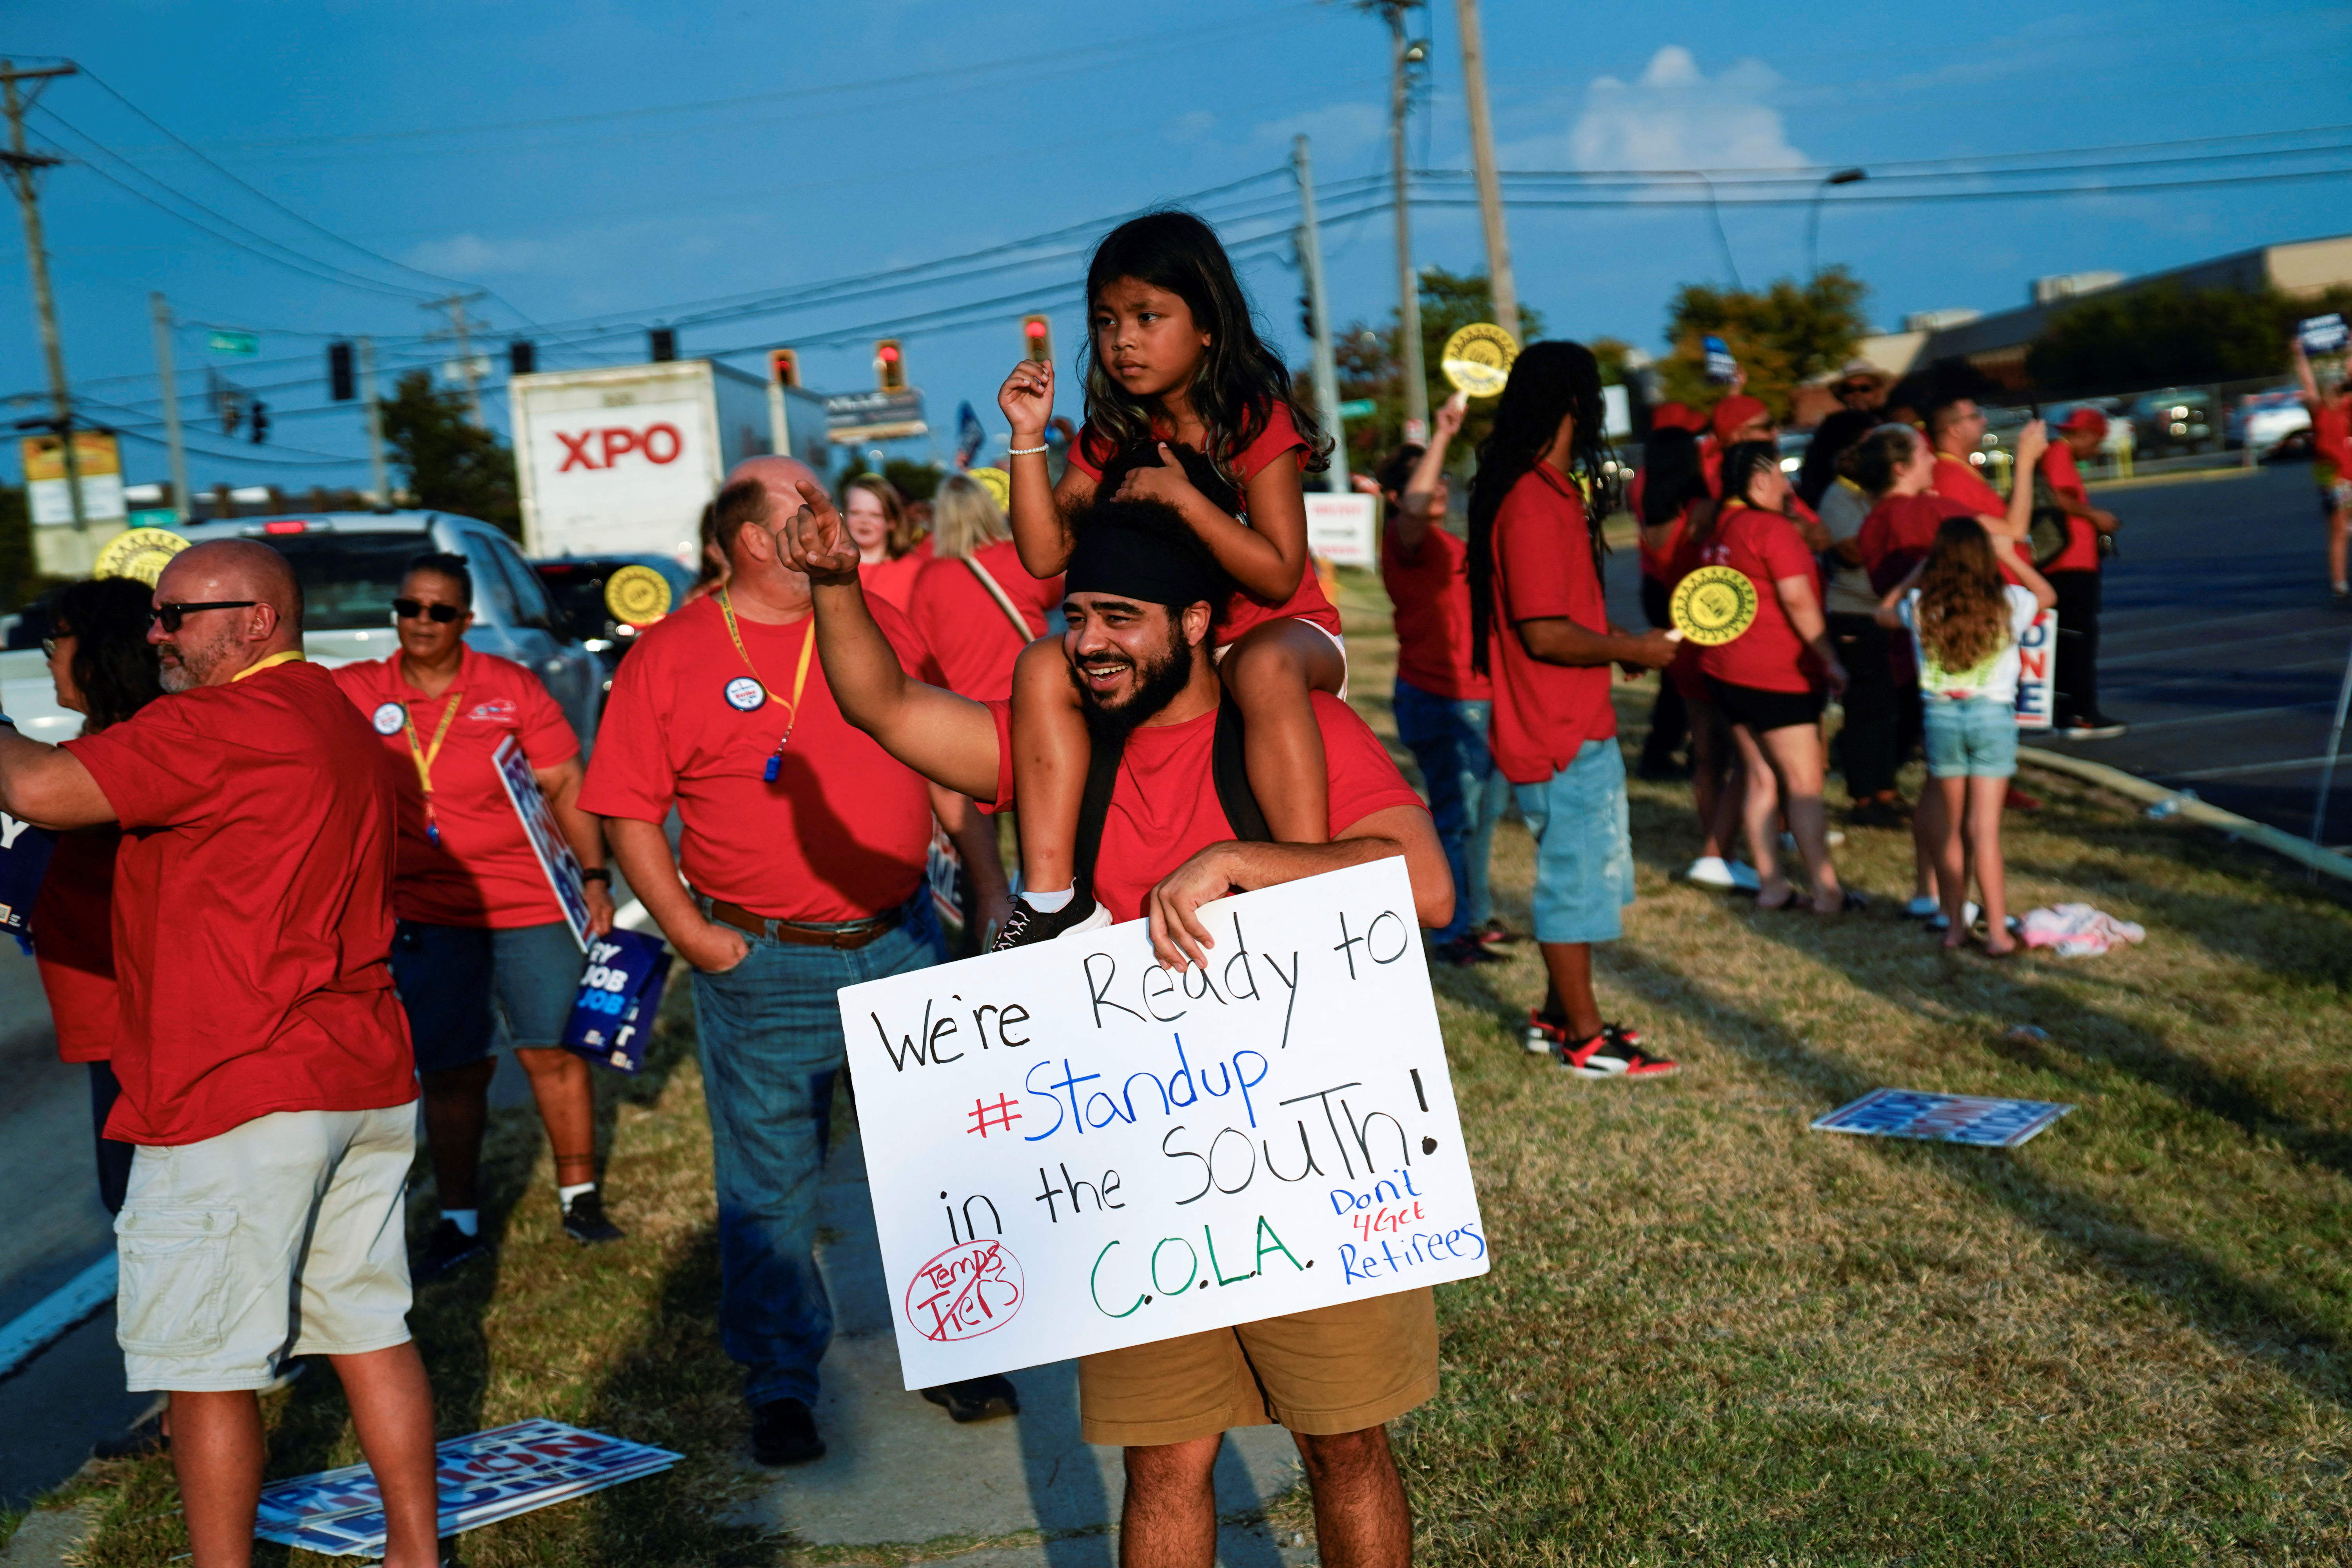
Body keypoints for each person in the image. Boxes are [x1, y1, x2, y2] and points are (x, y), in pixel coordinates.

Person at [780, 480, 1452, 1568]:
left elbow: (1422, 889)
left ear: (1194, 626)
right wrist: (834, 585)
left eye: (1119, 620)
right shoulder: (1065, 758)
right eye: (1076, 617)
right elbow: (887, 710)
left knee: (1345, 1446)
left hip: (1309, 1167)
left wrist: (1244, 861)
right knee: (1164, 1461)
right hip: (1145, 1186)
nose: (1089, 644)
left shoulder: (1298, 726)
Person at [0, 539, 438, 1568]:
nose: (158, 636)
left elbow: (43, 791)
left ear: (256, 622)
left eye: (179, 618)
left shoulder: (217, 721)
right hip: (357, 1069)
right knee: (371, 1329)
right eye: (157, 617)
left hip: (235, 1087)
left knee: (205, 1369)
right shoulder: (335, 714)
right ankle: (419, 1554)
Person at [579, 456, 1016, 1466]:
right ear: (747, 539)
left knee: (937, 1163)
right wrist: (692, 934)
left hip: (902, 935)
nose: (829, 518)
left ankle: (959, 1348)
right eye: (804, 508)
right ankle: (780, 1381)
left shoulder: (881, 621)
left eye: (828, 502)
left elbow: (947, 763)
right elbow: (628, 809)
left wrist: (987, 886)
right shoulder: (673, 653)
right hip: (765, 958)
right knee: (770, 1180)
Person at [996, 209, 1341, 944]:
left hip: (1283, 637)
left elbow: (1280, 575)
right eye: (1107, 321)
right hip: (1177, 651)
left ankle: (1308, 879)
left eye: (1149, 316)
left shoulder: (1254, 421)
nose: (1123, 340)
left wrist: (1184, 499)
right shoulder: (1115, 433)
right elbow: (1045, 554)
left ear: (1209, 324)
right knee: (1039, 665)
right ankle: (1053, 902)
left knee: (1264, 665)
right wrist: (1028, 438)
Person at [332, 551, 622, 1280]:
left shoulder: (509, 686)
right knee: (453, 1069)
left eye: (438, 611)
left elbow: (564, 782)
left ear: (465, 621)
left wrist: (594, 878)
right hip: (428, 913)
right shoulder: (361, 691)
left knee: (551, 1050)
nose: (420, 622)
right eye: (409, 608)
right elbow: (279, 711)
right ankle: (460, 1221)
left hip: (527, 901)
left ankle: (579, 1196)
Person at [1467, 341, 1680, 1076]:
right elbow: (1543, 631)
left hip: (1573, 722)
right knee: (1573, 889)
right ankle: (1586, 1042)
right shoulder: (1532, 499)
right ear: (1574, 406)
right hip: (1555, 732)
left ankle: (1557, 1019)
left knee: (1592, 878)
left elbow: (1563, 619)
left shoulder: (1549, 490)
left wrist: (1621, 643)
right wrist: (1639, 652)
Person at [1856, 421, 2044, 927]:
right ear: (1901, 467)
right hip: (1967, 674)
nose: (1933, 461)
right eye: (1922, 454)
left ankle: (1928, 891)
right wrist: (2025, 462)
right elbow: (2013, 529)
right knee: (1958, 806)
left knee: (1935, 786)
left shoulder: (1872, 522)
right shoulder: (1929, 510)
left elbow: (1887, 604)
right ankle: (1950, 902)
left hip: (1916, 664)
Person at [29, 577, 162, 1218]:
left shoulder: (137, 751)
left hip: (145, 1030)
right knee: (131, 1203)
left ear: (98, 650)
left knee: (148, 1210)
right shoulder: (105, 740)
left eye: (55, 640)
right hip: (108, 1025)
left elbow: (38, 793)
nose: (48, 656)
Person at [1877, 515, 2057, 954]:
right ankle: (1996, 931)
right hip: (1992, 717)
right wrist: (2009, 555)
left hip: (1941, 717)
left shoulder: (1922, 605)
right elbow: (2048, 595)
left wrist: (1920, 569)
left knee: (1952, 828)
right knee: (1985, 830)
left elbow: (1882, 612)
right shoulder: (2009, 601)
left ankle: (1955, 925)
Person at [1694, 441, 1854, 915]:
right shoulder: (1770, 528)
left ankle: (1772, 885)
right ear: (1760, 479)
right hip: (1776, 674)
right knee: (1804, 783)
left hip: (1726, 671)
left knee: (1761, 778)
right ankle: (1827, 892)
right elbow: (1799, 601)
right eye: (1783, 476)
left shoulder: (1718, 529)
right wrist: (1831, 660)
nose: (1789, 486)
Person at [1379, 393, 1512, 967]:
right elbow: (1412, 506)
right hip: (1441, 699)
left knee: (1481, 819)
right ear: (1394, 497)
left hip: (1483, 699)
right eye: (1425, 483)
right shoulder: (1405, 543)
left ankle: (1473, 918)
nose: (1437, 489)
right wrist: (1442, 435)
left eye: (1441, 481)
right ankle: (1450, 928)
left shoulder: (1452, 545)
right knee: (1457, 820)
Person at [909, 472, 1057, 942]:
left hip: (971, 729)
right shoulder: (1020, 559)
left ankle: (988, 945)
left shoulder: (930, 578)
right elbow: (1057, 594)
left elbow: (921, 659)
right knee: (1049, 853)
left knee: (982, 864)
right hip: (1038, 716)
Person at [1641, 427, 1754, 891]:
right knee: (1744, 756)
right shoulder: (1702, 513)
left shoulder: (1652, 520)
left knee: (1706, 758)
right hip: (1713, 637)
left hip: (1681, 640)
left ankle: (1716, 844)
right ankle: (1722, 849)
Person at [1805, 408, 1906, 823]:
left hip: (1879, 612)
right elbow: (1847, 550)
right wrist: (1889, 534)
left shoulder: (1868, 493)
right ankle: (1864, 798)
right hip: (1853, 613)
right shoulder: (1839, 495)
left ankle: (1886, 789)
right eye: (1865, 445)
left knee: (1886, 706)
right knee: (1864, 710)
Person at [2037, 409, 2127, 738]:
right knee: (2078, 640)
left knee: (2067, 640)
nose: (2097, 450)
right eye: (2097, 442)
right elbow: (2059, 497)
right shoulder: (2059, 454)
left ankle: (2068, 713)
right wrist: (2095, 515)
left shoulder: (2056, 455)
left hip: (2067, 563)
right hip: (2069, 564)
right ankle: (2082, 714)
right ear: (2086, 435)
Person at [1632, 402, 1710, 779]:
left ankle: (1660, 754)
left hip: (1656, 588)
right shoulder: (1698, 508)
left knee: (1675, 678)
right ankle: (1695, 754)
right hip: (1689, 594)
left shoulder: (1645, 489)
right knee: (1694, 681)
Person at [2291, 334, 2352, 601]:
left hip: (2350, 471)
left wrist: (2349, 347)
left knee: (2343, 526)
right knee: (2337, 528)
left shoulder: (2347, 408)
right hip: (2330, 473)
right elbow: (2307, 382)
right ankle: (2339, 581)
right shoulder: (2318, 411)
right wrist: (2299, 355)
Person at [843, 472, 929, 612]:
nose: (864, 521)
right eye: (855, 513)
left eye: (875, 515)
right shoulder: (833, 567)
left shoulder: (915, 570)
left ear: (892, 522)